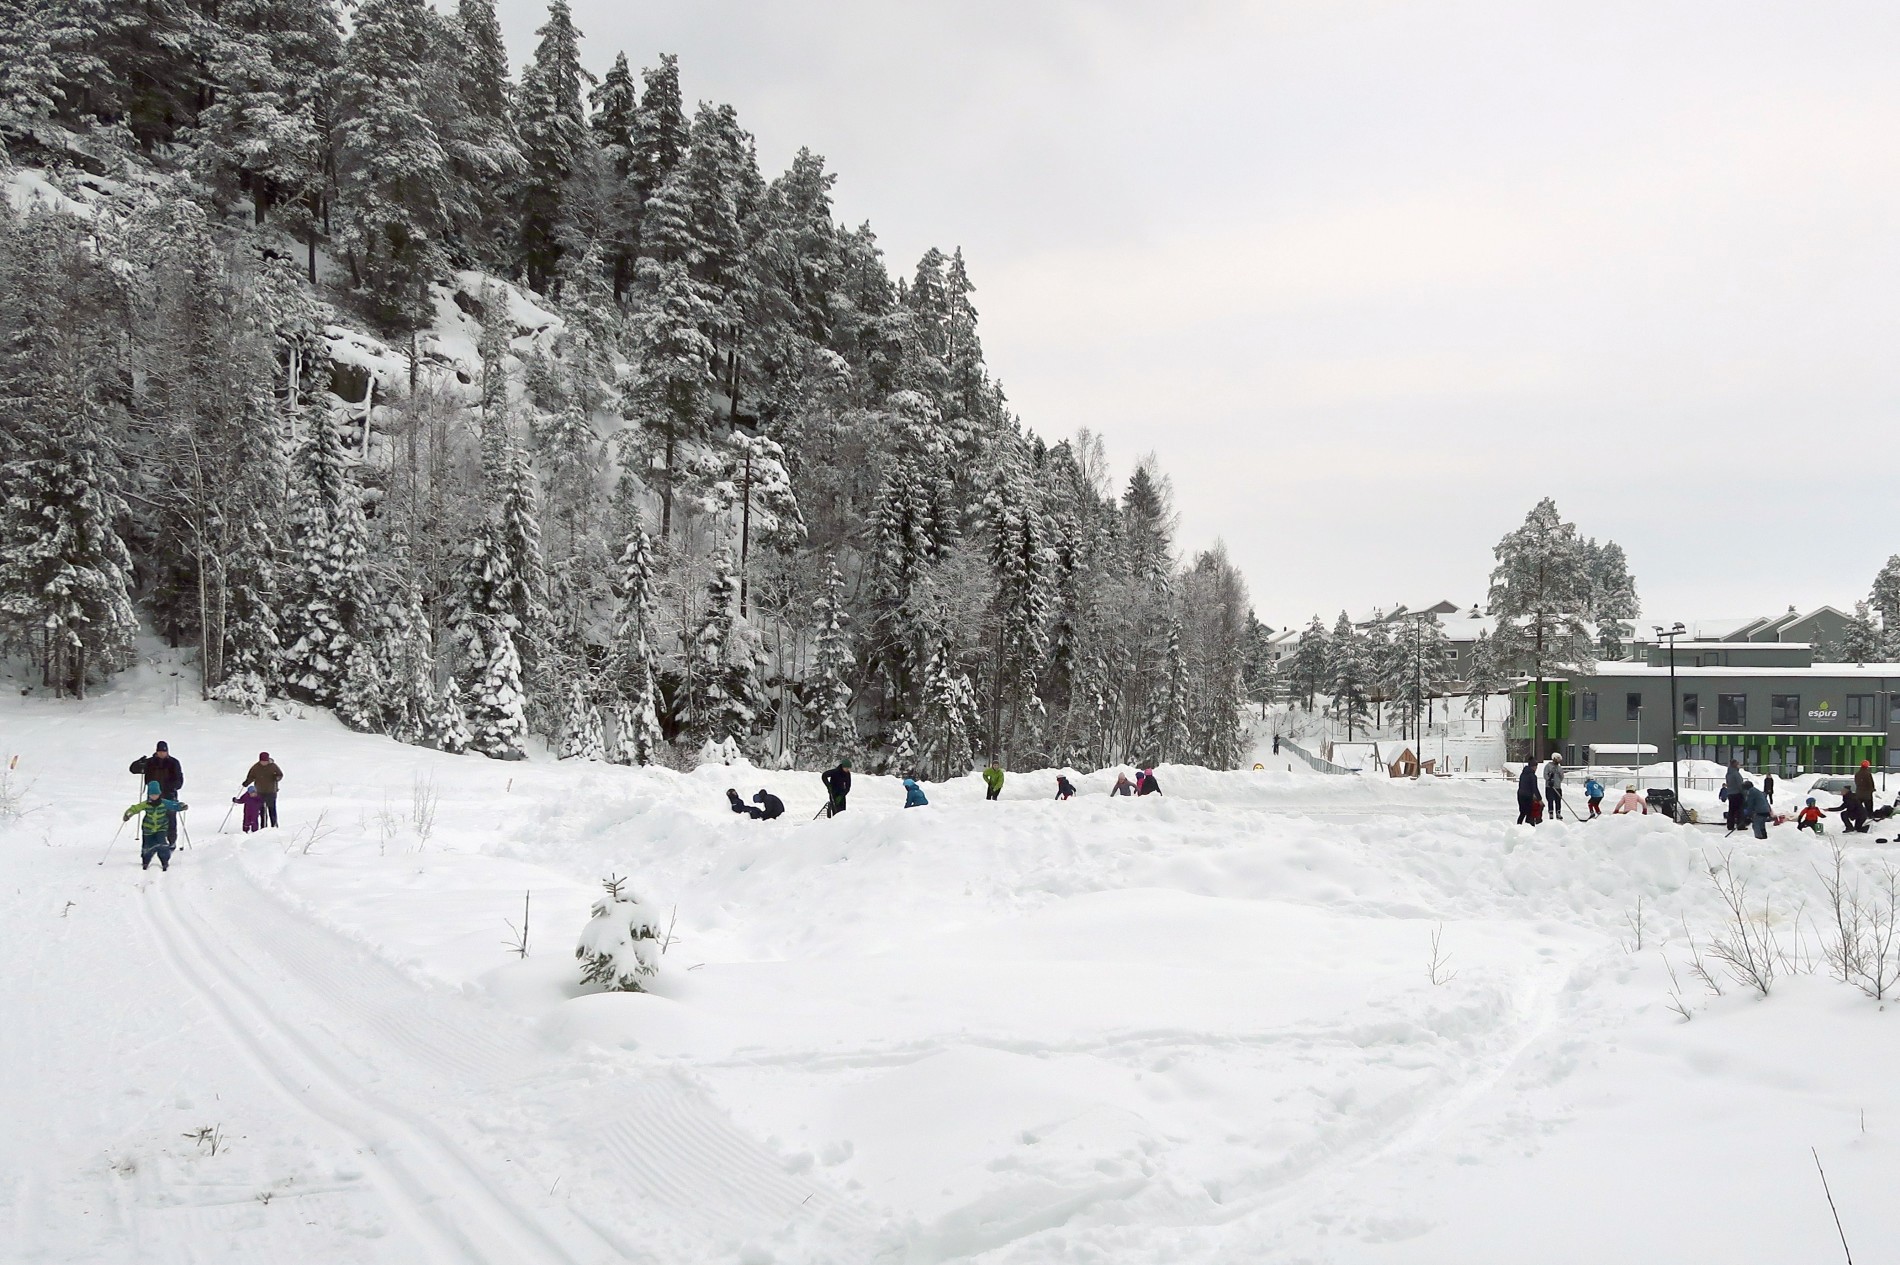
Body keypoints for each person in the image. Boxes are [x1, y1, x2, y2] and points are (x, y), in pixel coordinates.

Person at [129, 741, 185, 846]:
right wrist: (138, 762)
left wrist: (174, 786)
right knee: (152, 817)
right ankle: (154, 841)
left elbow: (179, 778)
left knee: (170, 817)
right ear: (156, 751)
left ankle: (171, 841)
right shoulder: (150, 762)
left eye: (164, 751)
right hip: (153, 794)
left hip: (169, 793)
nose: (162, 754)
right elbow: (133, 769)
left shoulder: (174, 762)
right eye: (160, 751)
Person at [124, 781, 188, 871]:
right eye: (152, 795)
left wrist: (181, 806)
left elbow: (173, 805)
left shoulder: (164, 802)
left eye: (156, 794)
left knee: (162, 845)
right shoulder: (145, 804)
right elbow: (135, 808)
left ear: (159, 794)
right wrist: (128, 813)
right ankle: (146, 861)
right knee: (147, 846)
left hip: (161, 827)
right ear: (149, 795)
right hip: (148, 828)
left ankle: (164, 861)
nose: (154, 796)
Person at [243, 751, 283, 828]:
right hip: (260, 792)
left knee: (272, 809)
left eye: (265, 761)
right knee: (262, 810)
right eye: (262, 761)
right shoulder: (256, 767)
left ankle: (274, 825)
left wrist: (277, 778)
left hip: (271, 791)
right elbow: (251, 776)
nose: (264, 763)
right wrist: (246, 782)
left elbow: (280, 774)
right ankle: (263, 826)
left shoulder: (273, 766)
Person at [1516, 760, 1542, 825]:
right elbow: (1534, 788)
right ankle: (1528, 828)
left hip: (1520, 795)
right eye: (1536, 767)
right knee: (1529, 813)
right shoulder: (1532, 776)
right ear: (1533, 767)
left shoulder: (1523, 774)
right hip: (1528, 796)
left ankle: (1518, 825)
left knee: (1522, 812)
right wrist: (1539, 799)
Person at [1723, 760, 1746, 832]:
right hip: (1737, 794)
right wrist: (1744, 793)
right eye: (1738, 764)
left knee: (1731, 811)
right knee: (1739, 810)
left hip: (1730, 794)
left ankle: (1730, 825)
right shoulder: (1736, 774)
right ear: (1735, 765)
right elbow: (1740, 785)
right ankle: (1740, 825)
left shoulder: (1728, 774)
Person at [1542, 752, 1565, 820]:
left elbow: (1562, 776)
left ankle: (1558, 813)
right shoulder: (1548, 766)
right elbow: (1545, 775)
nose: (1558, 760)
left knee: (1558, 800)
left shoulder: (1559, 768)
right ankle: (1551, 813)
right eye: (1557, 759)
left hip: (1557, 787)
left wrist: (1558, 781)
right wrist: (1549, 780)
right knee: (1550, 800)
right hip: (1550, 787)